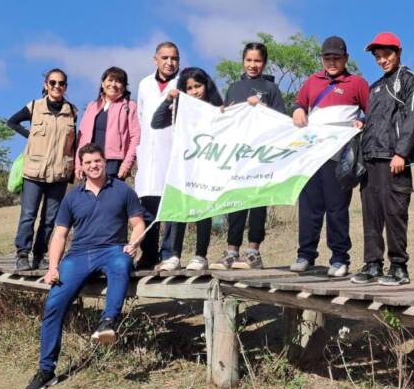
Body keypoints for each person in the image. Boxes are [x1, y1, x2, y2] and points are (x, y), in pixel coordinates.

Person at [24, 143, 145, 389]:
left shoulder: (123, 190)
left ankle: (107, 322)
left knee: (122, 264)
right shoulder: (72, 197)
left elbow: (138, 224)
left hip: (113, 249)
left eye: (97, 161)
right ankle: (46, 370)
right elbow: (59, 235)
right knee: (53, 305)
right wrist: (53, 267)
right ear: (82, 166)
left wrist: (133, 244)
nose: (93, 166)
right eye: (88, 162)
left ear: (104, 161)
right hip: (78, 255)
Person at [290, 36, 371, 277]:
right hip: (312, 158)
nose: (332, 62)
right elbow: (299, 103)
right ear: (322, 58)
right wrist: (297, 110)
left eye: (337, 57)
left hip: (341, 159)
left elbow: (372, 111)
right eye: (328, 57)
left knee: (337, 210)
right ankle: (305, 255)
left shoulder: (357, 83)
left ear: (346, 58)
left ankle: (339, 259)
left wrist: (363, 121)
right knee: (309, 209)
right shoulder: (312, 81)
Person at [350, 32, 414, 286]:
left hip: (394, 159)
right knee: (371, 214)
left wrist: (402, 152)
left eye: (386, 55)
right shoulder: (375, 87)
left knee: (395, 213)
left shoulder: (410, 79)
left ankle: (399, 268)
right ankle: (372, 265)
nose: (382, 60)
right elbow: (373, 120)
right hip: (370, 158)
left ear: (398, 52)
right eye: (378, 56)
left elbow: (413, 118)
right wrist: (362, 122)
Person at [212, 42, 287, 270]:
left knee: (257, 205)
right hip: (238, 156)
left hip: (261, 158)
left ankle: (253, 252)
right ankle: (232, 252)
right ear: (242, 61)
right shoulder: (233, 88)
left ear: (264, 63)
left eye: (257, 61)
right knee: (236, 203)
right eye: (249, 60)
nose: (252, 65)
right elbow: (225, 122)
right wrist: (223, 113)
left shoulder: (271, 89)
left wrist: (262, 107)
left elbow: (281, 121)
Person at [150, 67, 225, 271]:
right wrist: (168, 100)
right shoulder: (179, 109)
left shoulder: (216, 108)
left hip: (207, 167)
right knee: (180, 210)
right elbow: (155, 123)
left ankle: (201, 255)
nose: (194, 91)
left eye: (197, 86)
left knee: (203, 211)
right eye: (189, 88)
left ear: (206, 86)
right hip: (183, 168)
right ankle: (174, 255)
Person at [6, 68, 78, 272]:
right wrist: (30, 135)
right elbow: (12, 121)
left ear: (65, 87)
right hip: (34, 172)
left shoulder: (72, 111)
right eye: (53, 82)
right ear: (46, 85)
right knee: (28, 215)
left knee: (50, 219)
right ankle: (22, 255)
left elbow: (74, 143)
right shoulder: (35, 106)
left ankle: (39, 255)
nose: (57, 86)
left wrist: (72, 170)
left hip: (59, 174)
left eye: (61, 83)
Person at [134, 42, 181, 270]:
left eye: (174, 58)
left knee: (170, 206)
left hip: (173, 151)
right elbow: (141, 118)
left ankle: (169, 253)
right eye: (165, 57)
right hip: (149, 152)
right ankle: (149, 254)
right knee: (148, 207)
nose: (169, 62)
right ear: (156, 59)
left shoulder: (184, 84)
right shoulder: (144, 84)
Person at [76, 67, 140, 180]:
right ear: (102, 83)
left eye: (118, 81)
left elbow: (136, 137)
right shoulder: (92, 106)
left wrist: (126, 165)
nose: (113, 84)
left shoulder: (130, 106)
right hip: (90, 161)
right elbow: (82, 138)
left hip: (114, 164)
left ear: (124, 87)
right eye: (110, 80)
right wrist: (78, 163)